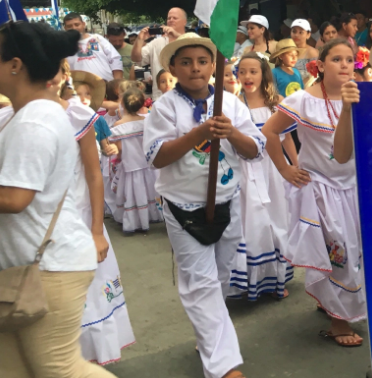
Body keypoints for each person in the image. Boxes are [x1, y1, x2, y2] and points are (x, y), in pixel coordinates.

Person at [0, 21, 118, 378]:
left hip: (49, 266)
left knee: (60, 370)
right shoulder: (29, 114)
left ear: (16, 65)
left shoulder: (34, 120)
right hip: (30, 263)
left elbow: (16, 197)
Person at [144, 33, 265, 378]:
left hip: (228, 201)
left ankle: (209, 335)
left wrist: (232, 134)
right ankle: (225, 367)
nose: (195, 68)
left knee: (221, 276)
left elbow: (255, 149)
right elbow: (156, 157)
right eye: (185, 62)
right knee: (201, 283)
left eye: (202, 61)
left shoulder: (232, 103)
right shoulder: (164, 107)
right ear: (172, 67)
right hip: (183, 207)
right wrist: (197, 134)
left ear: (213, 66)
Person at [262, 39, 365, 347]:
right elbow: (269, 132)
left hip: (355, 187)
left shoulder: (361, 95)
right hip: (321, 190)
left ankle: (332, 303)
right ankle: (338, 322)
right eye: (336, 59)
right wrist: (285, 169)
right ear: (320, 65)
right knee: (339, 255)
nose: (345, 65)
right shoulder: (304, 100)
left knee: (358, 252)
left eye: (350, 60)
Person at [55, 69, 136, 366]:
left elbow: (93, 174)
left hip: (77, 217)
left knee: (85, 292)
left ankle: (85, 360)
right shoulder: (10, 114)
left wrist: (97, 230)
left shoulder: (77, 115)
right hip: (39, 227)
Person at [232, 53, 292, 300]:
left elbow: (287, 141)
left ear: (264, 74)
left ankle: (278, 277)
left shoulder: (276, 104)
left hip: (274, 168)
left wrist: (295, 168)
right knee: (252, 222)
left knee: (277, 218)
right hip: (246, 170)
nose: (247, 76)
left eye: (253, 71)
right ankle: (251, 280)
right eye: (242, 71)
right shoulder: (234, 104)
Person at [109, 87, 162, 234]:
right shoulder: (147, 121)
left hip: (130, 164)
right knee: (150, 189)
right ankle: (153, 215)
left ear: (123, 105)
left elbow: (118, 148)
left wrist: (118, 158)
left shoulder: (119, 126)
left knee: (133, 193)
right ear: (142, 104)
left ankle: (134, 221)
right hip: (148, 164)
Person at [131, 8, 188, 99]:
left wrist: (177, 35)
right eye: (169, 18)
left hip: (186, 95)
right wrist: (140, 39)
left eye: (175, 18)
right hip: (160, 97)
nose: (171, 20)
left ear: (184, 22)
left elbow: (195, 48)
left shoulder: (191, 40)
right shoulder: (157, 42)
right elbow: (136, 59)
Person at [64, 13, 124, 82]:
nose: (74, 28)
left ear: (83, 24)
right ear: (65, 28)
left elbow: (115, 59)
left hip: (106, 87)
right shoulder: (64, 46)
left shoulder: (98, 39)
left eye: (77, 25)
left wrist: (117, 82)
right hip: (80, 90)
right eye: (69, 26)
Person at [287, 19, 319, 84]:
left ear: (308, 34)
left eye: (301, 32)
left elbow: (316, 76)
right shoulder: (286, 51)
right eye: (294, 31)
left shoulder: (312, 52)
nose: (296, 35)